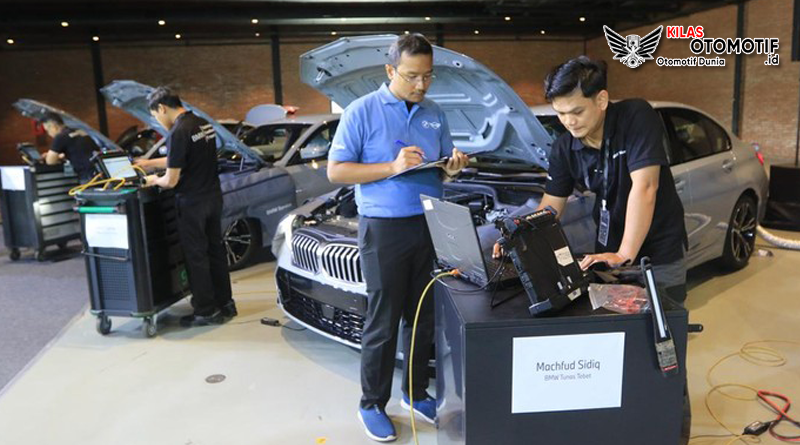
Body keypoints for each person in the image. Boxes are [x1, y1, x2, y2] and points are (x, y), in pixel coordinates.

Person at [327, 33, 469, 442]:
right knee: (384, 320)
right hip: (384, 227)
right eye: (411, 76)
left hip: (428, 222)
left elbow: (441, 165)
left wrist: (452, 169)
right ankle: (371, 403)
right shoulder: (361, 111)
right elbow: (336, 171)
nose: (421, 85)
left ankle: (414, 392)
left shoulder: (434, 112)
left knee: (421, 315)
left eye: (427, 76)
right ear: (390, 70)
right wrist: (391, 167)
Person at [494, 56, 688, 303]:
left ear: (601, 100)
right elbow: (550, 208)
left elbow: (646, 187)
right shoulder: (564, 147)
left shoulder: (635, 117)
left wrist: (624, 254)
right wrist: (517, 236)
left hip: (659, 253)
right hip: (608, 256)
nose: (569, 122)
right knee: (614, 325)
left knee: (665, 322)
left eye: (577, 112)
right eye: (561, 113)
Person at [139, 86, 235, 327]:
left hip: (192, 203)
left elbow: (171, 180)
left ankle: (205, 311)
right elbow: (184, 156)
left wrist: (153, 180)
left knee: (196, 256)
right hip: (213, 197)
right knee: (215, 251)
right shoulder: (202, 124)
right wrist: (148, 163)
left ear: (162, 108)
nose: (157, 120)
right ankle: (225, 303)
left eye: (155, 115)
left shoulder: (178, 131)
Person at [40, 112, 98, 183]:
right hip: (99, 172)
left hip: (87, 177)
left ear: (53, 126)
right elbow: (79, 151)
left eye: (47, 130)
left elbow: (50, 161)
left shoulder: (60, 137)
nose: (49, 134)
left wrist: (50, 156)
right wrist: (61, 156)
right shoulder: (78, 131)